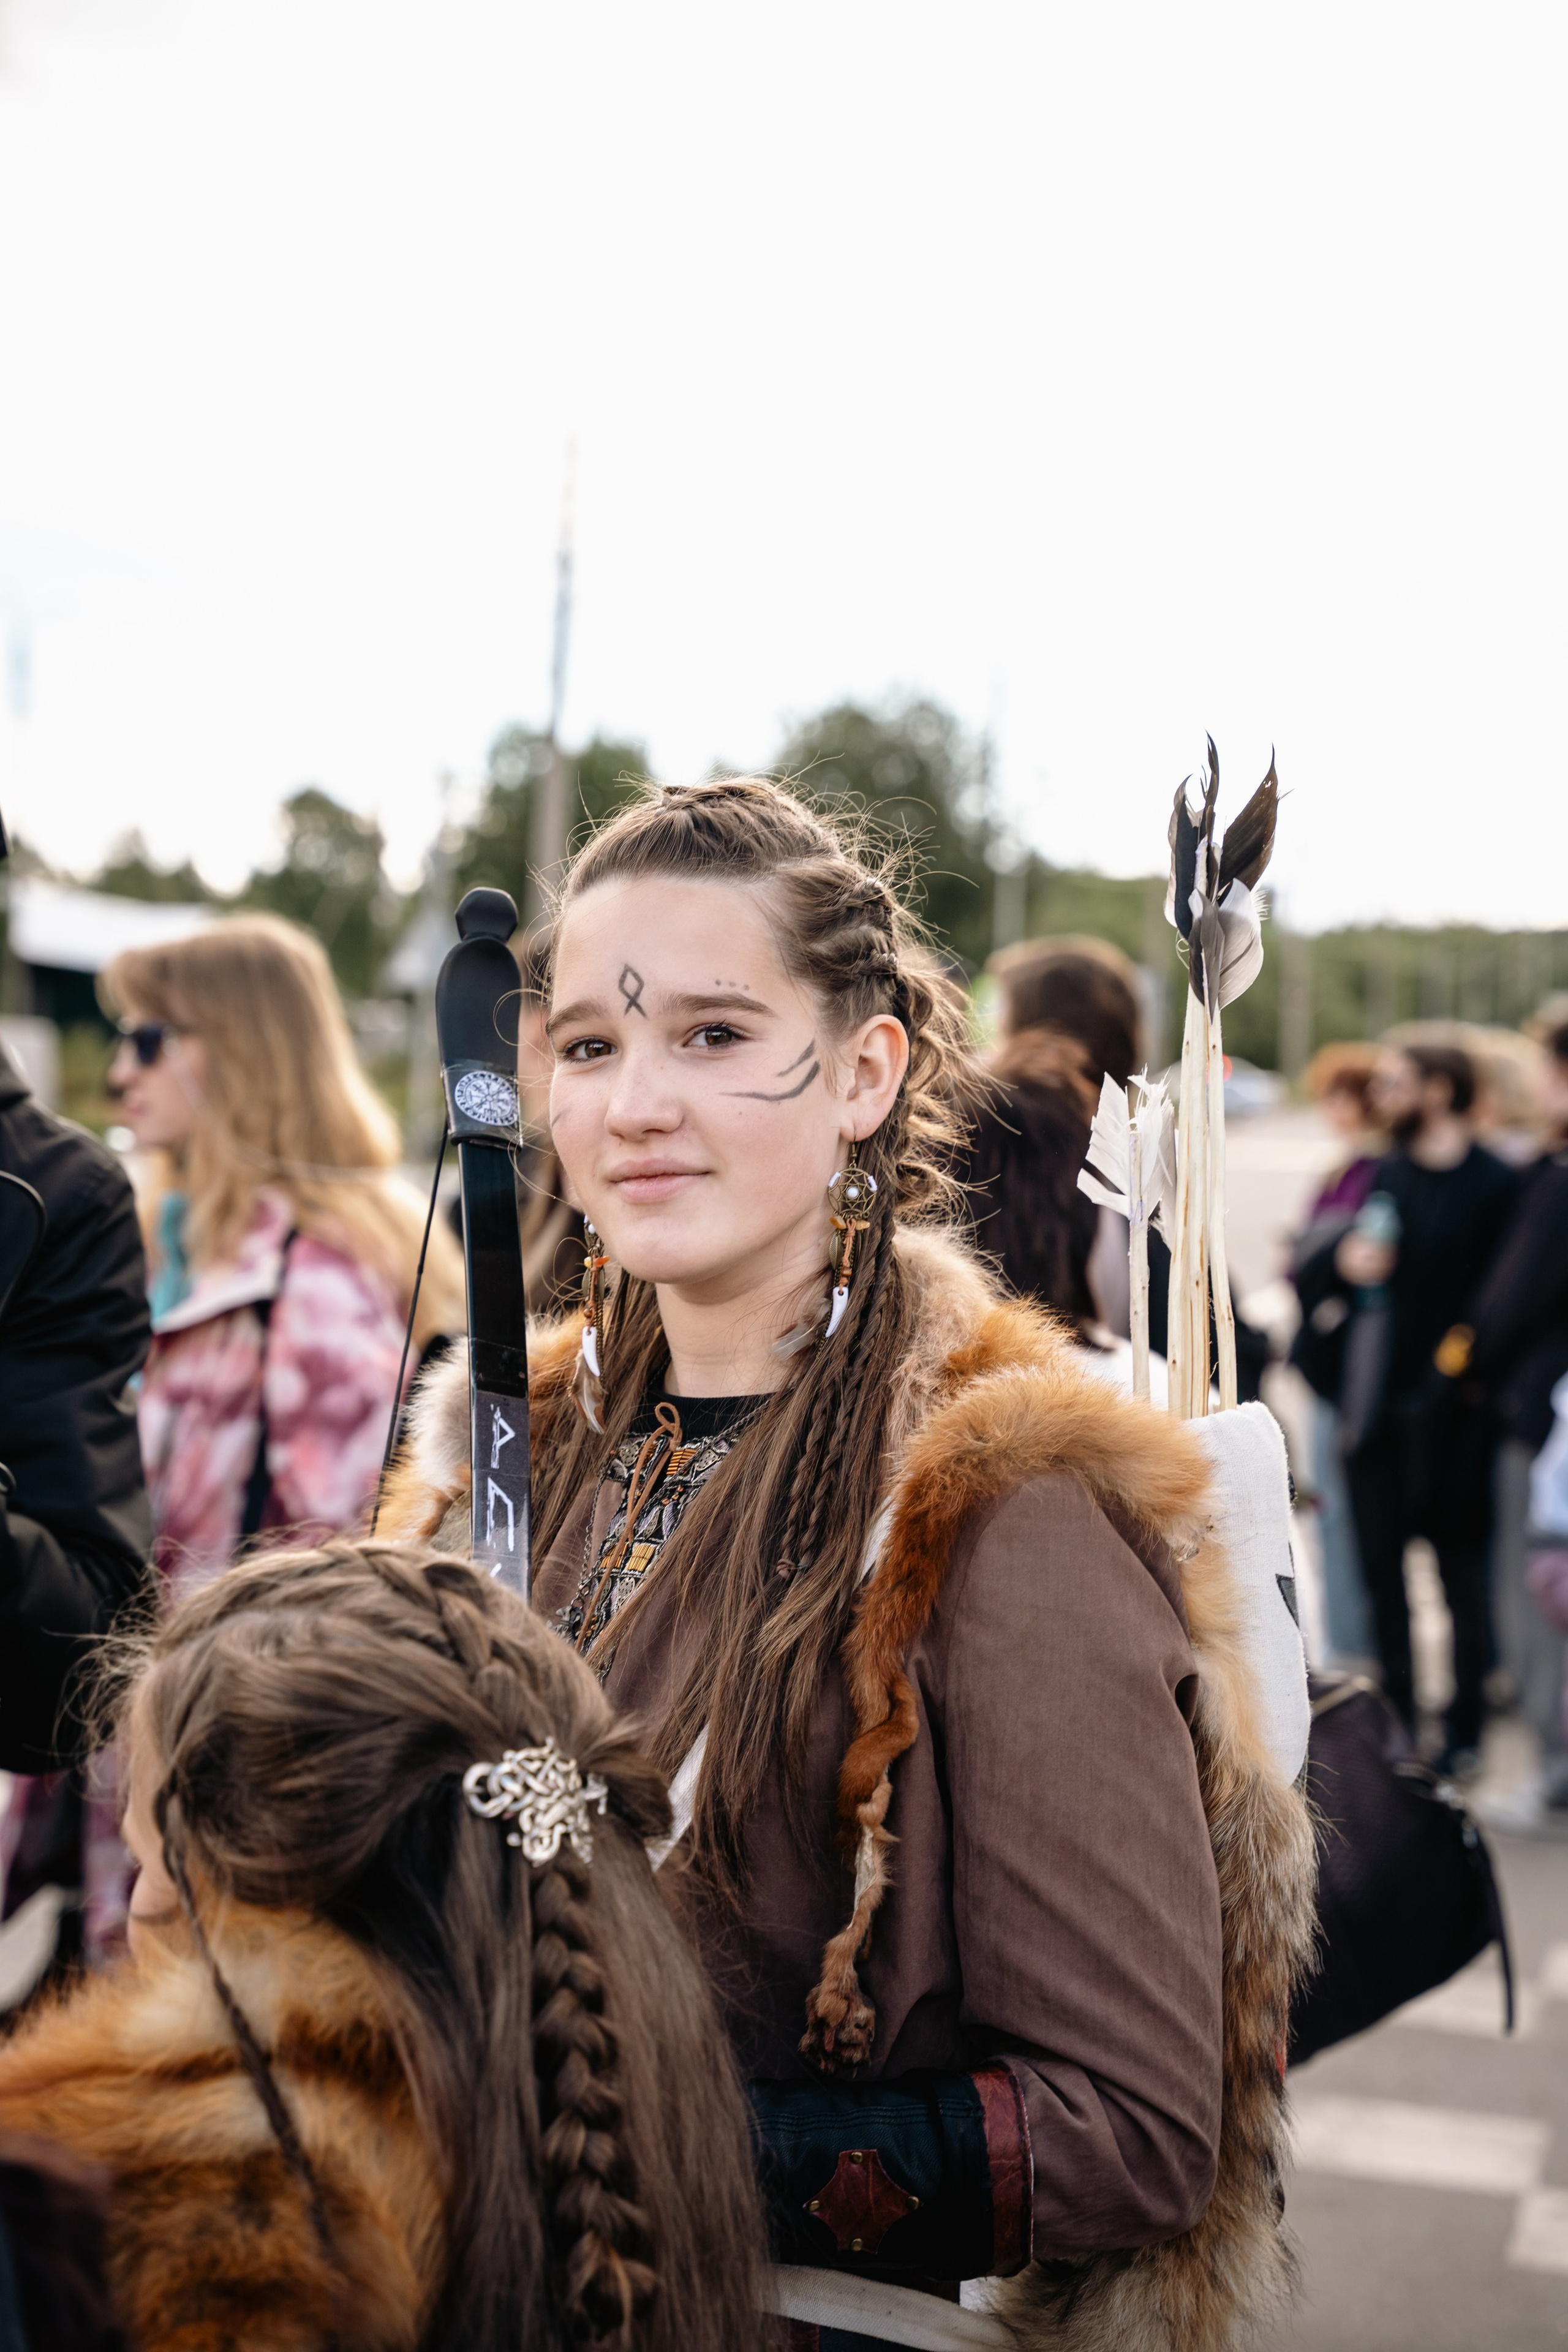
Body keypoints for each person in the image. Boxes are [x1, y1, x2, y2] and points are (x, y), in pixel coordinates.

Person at [383, 780, 1314, 2351]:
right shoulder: (508, 1458)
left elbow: (1134, 2130)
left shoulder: (998, 1505)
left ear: (864, 1071)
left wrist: (621, 2154)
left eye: (715, 1035)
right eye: (593, 1047)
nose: (634, 1105)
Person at [0, 1539, 766, 2352]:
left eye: (148, 1860)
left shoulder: (93, 2221)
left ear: (249, 1893)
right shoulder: (625, 2113)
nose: (132, 1915)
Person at [102, 913, 465, 1599]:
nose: (120, 1073)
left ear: (245, 1053)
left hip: (223, 1695)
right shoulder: (181, 1244)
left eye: (148, 1040)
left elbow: (334, 1593)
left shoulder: (318, 1287)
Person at [1321, 1042, 1520, 1771]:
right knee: (1383, 1578)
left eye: (1397, 1082)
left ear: (1439, 1089)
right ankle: (1400, 1731)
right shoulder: (1382, 1174)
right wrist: (1345, 1264)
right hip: (1376, 1414)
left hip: (1460, 1420)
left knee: (1460, 1577)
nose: (1383, 1094)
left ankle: (1464, 1732)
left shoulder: (1502, 1182)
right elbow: (1324, 1274)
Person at [1471, 1020, 1568, 1824]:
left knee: (1535, 1595)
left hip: (1547, 1426)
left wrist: (1465, 1367)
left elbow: (1510, 1304)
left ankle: (1554, 1770)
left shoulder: (1558, 1178)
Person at [1287, 1043, 1387, 1665]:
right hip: (1328, 1358)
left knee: (1341, 1509)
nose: (1331, 1109)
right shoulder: (1341, 1169)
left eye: (1339, 1096)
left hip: (1354, 1363)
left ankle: (1356, 1645)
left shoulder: (1374, 1171)